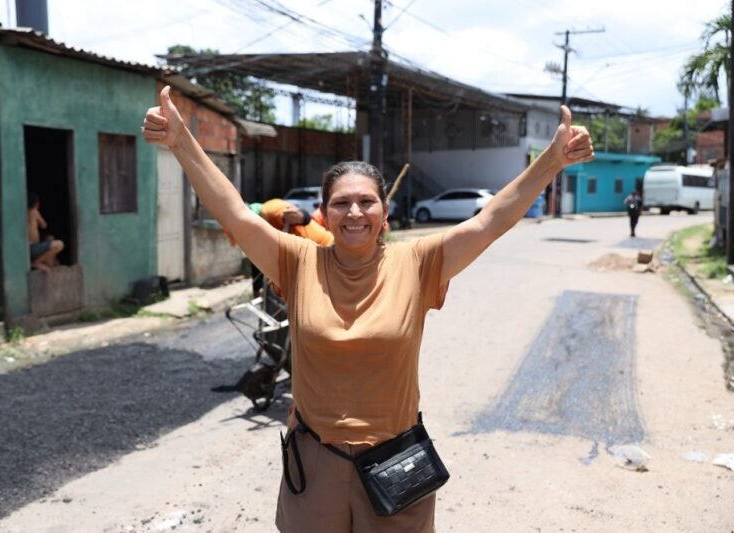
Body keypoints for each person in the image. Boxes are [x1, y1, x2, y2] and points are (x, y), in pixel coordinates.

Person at [141, 87, 594, 533]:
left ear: (384, 213)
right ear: (324, 213)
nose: (354, 212)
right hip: (314, 461)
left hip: (396, 460)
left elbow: (490, 220)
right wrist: (181, 143)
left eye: (366, 202)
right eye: (341, 203)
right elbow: (237, 214)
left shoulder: (418, 263)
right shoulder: (297, 262)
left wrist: (551, 161)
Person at [27, 192, 64, 273]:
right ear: (37, 204)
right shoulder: (34, 211)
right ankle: (37, 262)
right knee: (59, 244)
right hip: (32, 247)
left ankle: (39, 263)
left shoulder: (23, 213)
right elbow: (44, 225)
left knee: (49, 238)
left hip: (29, 248)